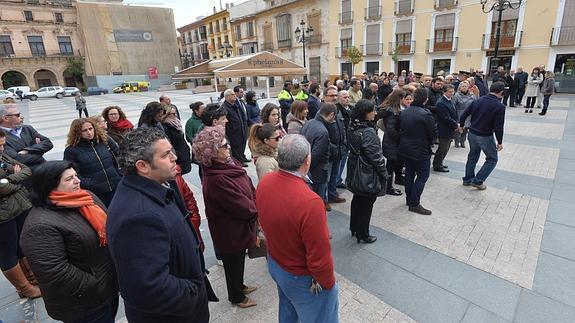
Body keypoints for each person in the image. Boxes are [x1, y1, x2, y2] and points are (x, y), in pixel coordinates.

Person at [107, 127, 211, 322]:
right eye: (166, 154)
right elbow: (148, 286)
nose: (175, 157)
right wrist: (193, 292)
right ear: (143, 166)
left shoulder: (159, 185)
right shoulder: (138, 217)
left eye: (171, 151)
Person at [20, 160, 119, 322]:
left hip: (108, 288)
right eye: (69, 179)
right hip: (84, 305)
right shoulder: (39, 226)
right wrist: (96, 286)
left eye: (75, 175)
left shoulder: (87, 197)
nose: (77, 180)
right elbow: (55, 271)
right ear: (49, 186)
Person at [256, 134, 338, 322]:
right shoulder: (310, 202)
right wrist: (328, 284)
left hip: (277, 264)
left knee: (288, 312)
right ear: (307, 161)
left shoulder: (266, 181)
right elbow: (319, 257)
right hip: (300, 277)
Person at [192, 125, 258, 309]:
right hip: (229, 231)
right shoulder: (217, 179)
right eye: (223, 145)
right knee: (232, 264)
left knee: (239, 260)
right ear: (211, 153)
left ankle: (240, 286)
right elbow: (242, 207)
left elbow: (248, 183)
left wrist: (254, 197)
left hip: (239, 227)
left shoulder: (230, 163)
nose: (228, 147)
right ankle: (236, 296)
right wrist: (256, 207)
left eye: (226, 143)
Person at [0, 129, 41, 300]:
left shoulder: (2, 157)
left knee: (21, 245)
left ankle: (32, 279)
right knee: (7, 253)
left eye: (2, 145)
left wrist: (8, 179)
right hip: (3, 216)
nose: (1, 149)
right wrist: (14, 178)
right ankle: (24, 288)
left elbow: (26, 171)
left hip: (17, 207)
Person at [347, 99, 387, 243]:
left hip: (354, 167)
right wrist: (384, 173)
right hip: (366, 171)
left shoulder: (353, 125)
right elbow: (376, 157)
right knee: (366, 203)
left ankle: (354, 228)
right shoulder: (368, 131)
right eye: (373, 111)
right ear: (366, 113)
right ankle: (363, 233)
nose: (375, 113)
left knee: (357, 199)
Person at [63, 118, 121, 206]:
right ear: (77, 133)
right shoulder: (71, 151)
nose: (89, 133)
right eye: (84, 130)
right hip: (95, 192)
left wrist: (118, 174)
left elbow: (120, 155)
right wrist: (90, 184)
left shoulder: (104, 140)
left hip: (115, 186)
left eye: (90, 129)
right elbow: (71, 173)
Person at [459, 82, 506, 190]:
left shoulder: (478, 100)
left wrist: (461, 126)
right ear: (501, 92)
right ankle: (478, 180)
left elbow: (464, 114)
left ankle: (467, 179)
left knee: (472, 156)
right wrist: (499, 142)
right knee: (492, 159)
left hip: (472, 133)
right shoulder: (499, 106)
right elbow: (499, 127)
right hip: (485, 136)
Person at [398, 88, 437, 215]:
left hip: (405, 148)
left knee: (409, 174)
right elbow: (433, 134)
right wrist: (431, 141)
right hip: (421, 150)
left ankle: (409, 199)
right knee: (422, 176)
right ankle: (414, 203)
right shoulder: (426, 114)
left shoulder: (405, 111)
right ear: (425, 100)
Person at [300, 103, 337, 211]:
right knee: (317, 202)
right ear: (331, 115)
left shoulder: (309, 122)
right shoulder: (323, 131)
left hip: (306, 167)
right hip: (318, 172)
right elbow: (316, 155)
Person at [0, 104, 53, 169]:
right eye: (18, 115)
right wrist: (38, 151)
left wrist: (27, 151)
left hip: (42, 167)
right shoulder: (1, 136)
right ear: (6, 118)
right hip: (25, 173)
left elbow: (48, 143)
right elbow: (17, 159)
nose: (22, 117)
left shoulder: (27, 128)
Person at [380, 89, 410, 196]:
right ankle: (388, 187)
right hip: (392, 143)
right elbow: (391, 130)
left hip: (393, 142)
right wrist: (400, 138)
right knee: (390, 166)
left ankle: (397, 180)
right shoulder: (392, 111)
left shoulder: (395, 109)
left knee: (396, 163)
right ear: (399, 98)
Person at [433, 84, 459, 172]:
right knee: (442, 148)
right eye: (450, 92)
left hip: (449, 128)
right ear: (444, 92)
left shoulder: (449, 100)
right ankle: (437, 165)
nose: (452, 93)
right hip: (444, 129)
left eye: (453, 91)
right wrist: (456, 125)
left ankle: (440, 163)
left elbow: (454, 112)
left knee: (446, 148)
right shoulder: (441, 102)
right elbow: (445, 118)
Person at [221, 89, 249, 166]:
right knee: (236, 148)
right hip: (233, 132)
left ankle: (241, 158)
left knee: (242, 146)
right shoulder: (225, 107)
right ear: (227, 97)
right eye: (232, 95)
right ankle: (238, 163)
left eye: (234, 94)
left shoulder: (236, 105)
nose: (235, 96)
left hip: (241, 130)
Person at [163, 106, 192, 175]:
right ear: (167, 114)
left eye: (175, 113)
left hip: (183, 153)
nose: (175, 115)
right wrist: (178, 154)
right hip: (178, 157)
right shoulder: (165, 127)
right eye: (172, 114)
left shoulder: (176, 124)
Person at [453, 81, 475, 148]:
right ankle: (457, 142)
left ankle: (463, 142)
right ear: (460, 87)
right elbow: (453, 105)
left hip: (468, 114)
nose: (464, 87)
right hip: (459, 113)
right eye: (463, 86)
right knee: (458, 129)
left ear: (468, 87)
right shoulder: (456, 95)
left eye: (466, 86)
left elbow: (475, 104)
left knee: (465, 129)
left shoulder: (472, 95)